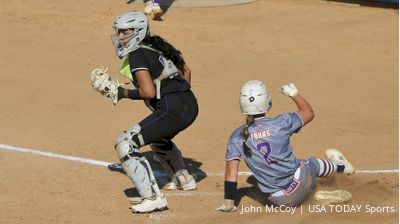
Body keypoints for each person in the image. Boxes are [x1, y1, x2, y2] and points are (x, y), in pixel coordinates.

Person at [103, 11, 198, 213]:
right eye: (118, 32)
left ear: (137, 32)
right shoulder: (156, 47)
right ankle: (184, 179)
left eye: (124, 32)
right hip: (188, 103)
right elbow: (186, 71)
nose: (119, 37)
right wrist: (179, 94)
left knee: (125, 144)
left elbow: (148, 91)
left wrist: (121, 92)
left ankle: (153, 198)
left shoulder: (137, 53)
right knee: (159, 138)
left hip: (174, 108)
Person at [216, 81, 355, 212]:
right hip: (301, 183)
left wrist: (228, 204)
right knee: (310, 163)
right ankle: (341, 167)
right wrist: (293, 93)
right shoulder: (281, 123)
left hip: (280, 202)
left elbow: (231, 174)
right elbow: (308, 112)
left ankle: (315, 196)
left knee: (290, 180)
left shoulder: (236, 137)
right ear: (267, 101)